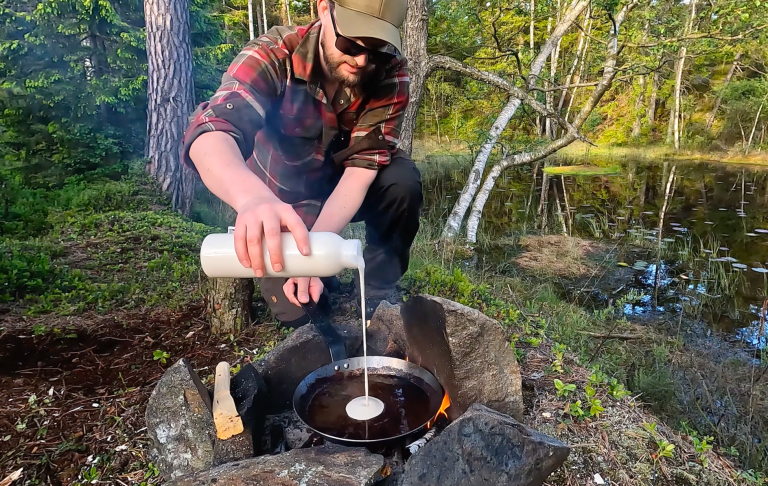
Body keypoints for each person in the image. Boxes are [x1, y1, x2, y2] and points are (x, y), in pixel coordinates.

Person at [183, 0, 421, 327]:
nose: (362, 59)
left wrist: (316, 254)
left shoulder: (390, 71)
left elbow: (360, 172)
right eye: (350, 42)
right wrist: (253, 199)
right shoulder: (273, 55)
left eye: (377, 48)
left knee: (402, 179)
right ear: (324, 9)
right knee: (301, 314)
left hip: (345, 191)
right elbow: (211, 133)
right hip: (285, 206)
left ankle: (378, 292)